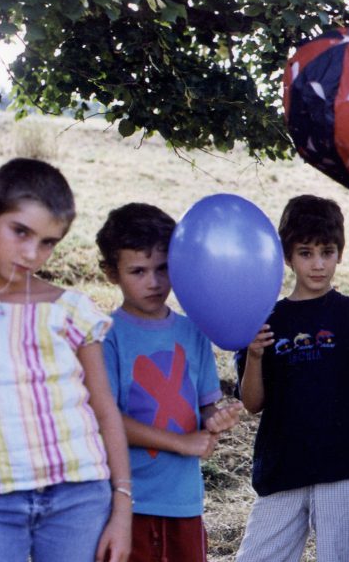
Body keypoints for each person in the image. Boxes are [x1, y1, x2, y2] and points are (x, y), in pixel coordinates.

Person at [0, 158, 132, 562]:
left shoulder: (70, 309)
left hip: (81, 496)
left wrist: (121, 510)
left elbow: (105, 411)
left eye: (49, 242)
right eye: (20, 231)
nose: (32, 253)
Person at [234, 195, 349, 562]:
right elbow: (251, 403)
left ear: (340, 253)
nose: (318, 264)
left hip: (344, 465)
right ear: (287, 256)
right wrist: (256, 356)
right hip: (283, 467)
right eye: (306, 252)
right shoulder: (266, 319)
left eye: (327, 252)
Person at [96, 203, 242, 562]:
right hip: (126, 499)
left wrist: (215, 421)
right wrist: (181, 443)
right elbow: (106, 419)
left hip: (184, 500)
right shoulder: (105, 336)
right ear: (111, 273)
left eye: (163, 268)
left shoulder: (193, 331)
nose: (154, 282)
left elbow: (205, 409)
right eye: (138, 271)